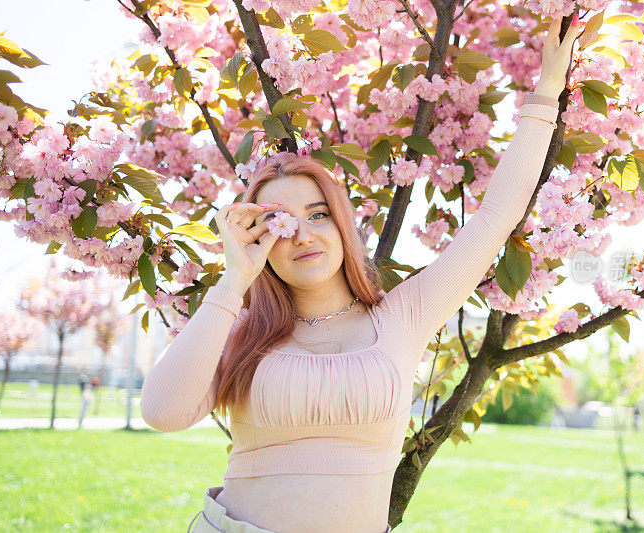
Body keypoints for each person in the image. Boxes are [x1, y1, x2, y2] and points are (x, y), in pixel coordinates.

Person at [140, 15, 582, 533]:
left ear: (343, 223)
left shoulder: (404, 315)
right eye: (279, 222)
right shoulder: (242, 332)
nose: (303, 235)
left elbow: (494, 218)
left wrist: (546, 92)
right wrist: (233, 281)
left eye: (319, 214)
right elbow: (164, 413)